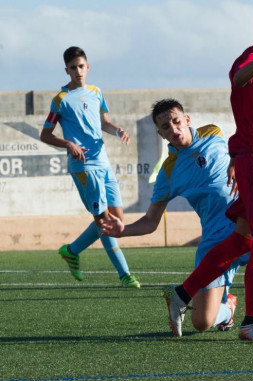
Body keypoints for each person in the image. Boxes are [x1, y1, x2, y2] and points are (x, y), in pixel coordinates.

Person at [100, 99, 253, 338]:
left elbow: (239, 148)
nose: (173, 129)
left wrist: (238, 165)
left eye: (176, 122)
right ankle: (228, 309)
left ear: (187, 120)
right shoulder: (168, 171)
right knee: (202, 322)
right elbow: (151, 221)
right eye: (166, 127)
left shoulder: (213, 132)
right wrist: (123, 230)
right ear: (160, 133)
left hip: (243, 221)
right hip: (213, 241)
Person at [40, 46, 139, 288]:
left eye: (81, 66)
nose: (78, 71)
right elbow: (45, 135)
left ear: (88, 67)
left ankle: (71, 250)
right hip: (84, 166)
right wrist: (68, 144)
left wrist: (117, 130)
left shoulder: (96, 92)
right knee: (104, 220)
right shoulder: (60, 100)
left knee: (117, 218)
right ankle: (125, 274)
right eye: (73, 67)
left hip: (103, 161)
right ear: (67, 70)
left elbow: (104, 122)